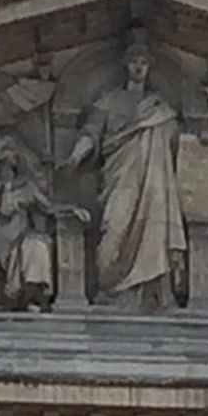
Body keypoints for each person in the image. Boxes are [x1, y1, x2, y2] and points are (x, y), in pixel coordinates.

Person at [62, 40, 185, 311]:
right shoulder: (108, 101)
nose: (139, 67)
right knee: (113, 229)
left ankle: (151, 293)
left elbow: (178, 147)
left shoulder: (160, 108)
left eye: (143, 62)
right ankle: (110, 290)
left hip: (155, 185)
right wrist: (75, 156)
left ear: (149, 66)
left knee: (155, 231)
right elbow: (91, 133)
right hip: (119, 179)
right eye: (134, 62)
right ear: (125, 65)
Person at [0, 133, 85, 328]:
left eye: (11, 157)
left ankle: (32, 299)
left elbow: (48, 207)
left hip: (21, 236)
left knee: (37, 247)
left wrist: (72, 209)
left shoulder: (27, 187)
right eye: (4, 158)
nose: (8, 163)